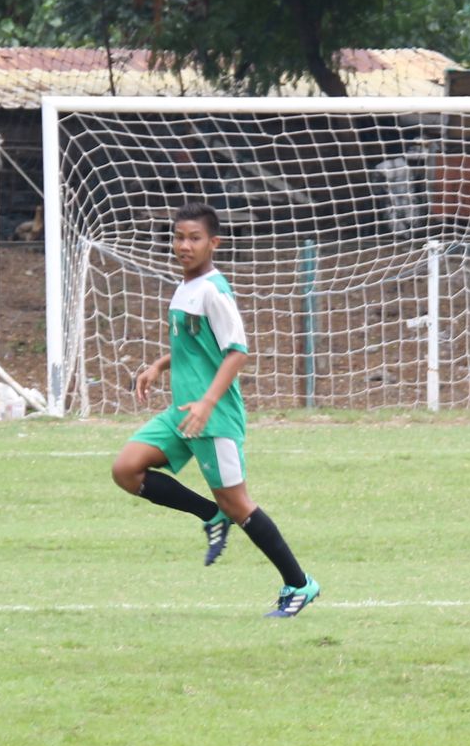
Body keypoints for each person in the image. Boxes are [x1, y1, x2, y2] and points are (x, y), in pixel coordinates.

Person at [111, 202, 320, 618]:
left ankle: (299, 584)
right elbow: (194, 345)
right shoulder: (185, 286)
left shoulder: (214, 291)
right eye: (178, 237)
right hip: (183, 411)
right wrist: (158, 365)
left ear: (213, 243)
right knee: (126, 469)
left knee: (239, 504)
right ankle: (210, 515)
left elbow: (237, 352)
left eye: (194, 238)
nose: (184, 246)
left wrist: (208, 402)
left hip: (213, 414)